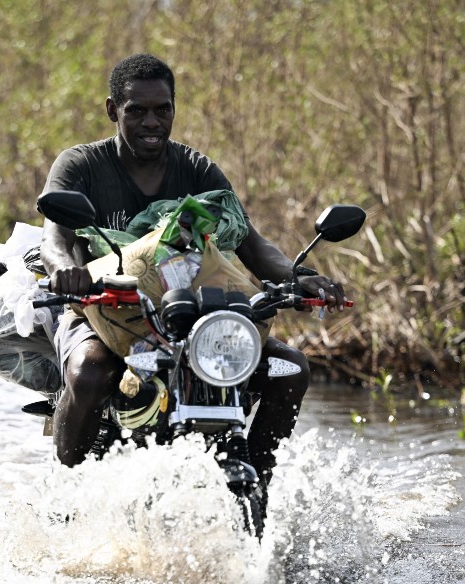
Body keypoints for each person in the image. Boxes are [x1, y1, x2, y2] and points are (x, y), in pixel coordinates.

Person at [40, 53, 346, 473]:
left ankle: (257, 483)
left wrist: (302, 278)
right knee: (89, 373)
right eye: (137, 111)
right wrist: (64, 271)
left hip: (192, 318)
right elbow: (54, 240)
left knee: (290, 370)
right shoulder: (81, 165)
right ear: (113, 110)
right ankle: (67, 488)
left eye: (162, 110)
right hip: (103, 312)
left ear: (174, 109)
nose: (152, 122)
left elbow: (253, 246)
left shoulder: (198, 169)